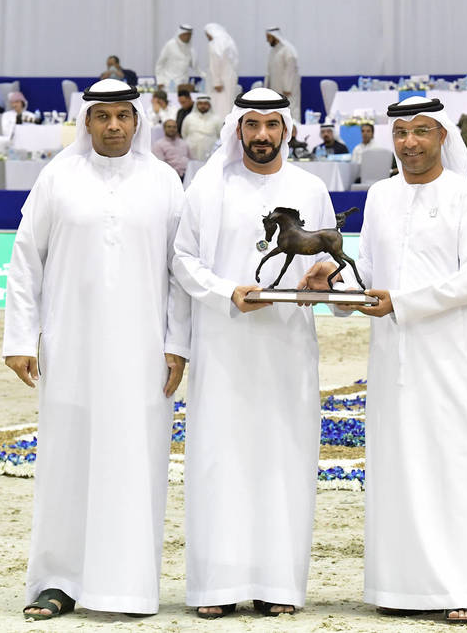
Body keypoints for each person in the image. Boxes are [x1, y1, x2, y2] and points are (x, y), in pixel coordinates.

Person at [303, 96, 467, 623]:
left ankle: (459, 591)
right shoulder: (382, 197)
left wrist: (402, 303)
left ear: (443, 137)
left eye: (422, 131)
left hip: (453, 362)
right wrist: (331, 283)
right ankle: (399, 588)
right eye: (402, 132)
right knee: (397, 469)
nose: (410, 142)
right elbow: (365, 272)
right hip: (393, 361)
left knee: (453, 468)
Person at [3, 78, 190, 620]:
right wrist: (20, 338)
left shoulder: (164, 183)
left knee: (136, 463)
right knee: (67, 464)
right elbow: (25, 258)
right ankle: (57, 582)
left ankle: (126, 587)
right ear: (86, 122)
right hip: (71, 350)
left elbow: (181, 272)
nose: (113, 126)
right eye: (102, 116)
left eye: (123, 117)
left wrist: (177, 344)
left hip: (143, 356)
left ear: (137, 122)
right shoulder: (58, 177)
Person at [172, 87, 336, 619]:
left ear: (286, 130)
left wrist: (324, 276)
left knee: (284, 459)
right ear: (238, 130)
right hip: (223, 345)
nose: (262, 135)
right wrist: (226, 292)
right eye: (252, 125)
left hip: (288, 348)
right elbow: (183, 260)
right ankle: (215, 587)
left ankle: (278, 586)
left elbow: (328, 268)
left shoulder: (311, 189)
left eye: (272, 125)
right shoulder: (207, 186)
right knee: (221, 459)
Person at [264, 27, 301, 121]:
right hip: (276, 89)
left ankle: (294, 133)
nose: (267, 40)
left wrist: (287, 88)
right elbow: (269, 71)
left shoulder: (287, 49)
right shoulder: (273, 51)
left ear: (274, 36)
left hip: (288, 90)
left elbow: (290, 70)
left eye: (268, 37)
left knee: (291, 110)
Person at [204, 23, 239, 120]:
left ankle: (219, 127)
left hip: (219, 82)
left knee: (218, 106)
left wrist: (216, 82)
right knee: (227, 104)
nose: (207, 37)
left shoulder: (214, 44)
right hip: (229, 78)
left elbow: (215, 64)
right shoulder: (228, 41)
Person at [155, 24, 198, 89]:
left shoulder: (190, 49)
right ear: (180, 34)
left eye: (190, 35)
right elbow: (159, 65)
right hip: (168, 84)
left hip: (184, 85)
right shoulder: (170, 45)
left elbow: (195, 67)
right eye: (186, 34)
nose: (188, 37)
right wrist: (160, 81)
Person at [181, 95, 223, 160]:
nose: (203, 106)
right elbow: (184, 134)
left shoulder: (217, 119)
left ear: (209, 105)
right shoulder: (189, 118)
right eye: (200, 103)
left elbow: (220, 136)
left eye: (205, 103)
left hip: (210, 152)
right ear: (196, 105)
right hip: (192, 152)